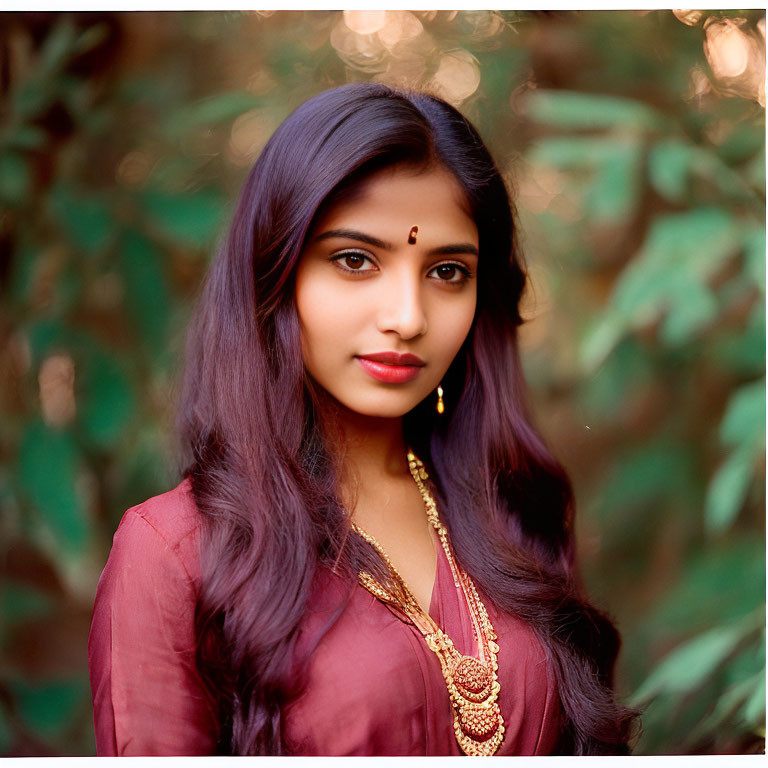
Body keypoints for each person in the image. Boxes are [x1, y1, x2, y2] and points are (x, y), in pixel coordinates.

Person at [88, 82, 637, 756]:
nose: (407, 316)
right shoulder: (177, 552)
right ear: (275, 273)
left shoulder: (508, 515)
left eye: (446, 271)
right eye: (355, 260)